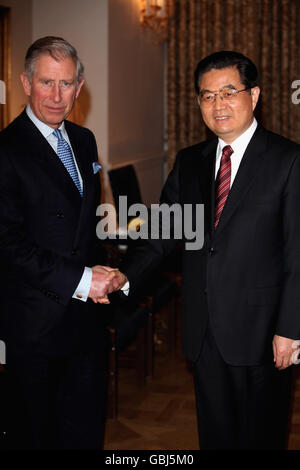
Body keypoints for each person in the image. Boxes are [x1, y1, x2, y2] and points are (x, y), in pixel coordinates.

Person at [104, 51, 300, 449]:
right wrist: (124, 274)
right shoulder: (190, 162)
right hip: (205, 329)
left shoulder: (288, 160)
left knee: (262, 437)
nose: (218, 104)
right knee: (215, 436)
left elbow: (298, 253)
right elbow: (162, 232)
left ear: (255, 95)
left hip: (264, 334)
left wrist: (291, 329)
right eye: (207, 96)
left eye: (229, 92)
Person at [0, 36, 124, 450]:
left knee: (85, 431)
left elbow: (84, 226)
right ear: (25, 82)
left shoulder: (85, 140)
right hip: (35, 324)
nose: (56, 96)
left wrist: (104, 272)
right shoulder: (6, 150)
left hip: (86, 322)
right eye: (46, 83)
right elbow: (8, 245)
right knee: (36, 436)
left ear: (80, 85)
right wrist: (83, 278)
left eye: (66, 84)